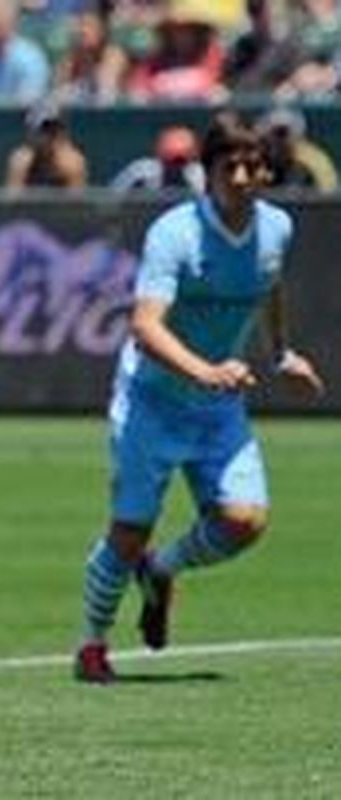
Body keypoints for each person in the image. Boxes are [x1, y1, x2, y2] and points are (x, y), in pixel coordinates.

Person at [74, 111, 326, 684]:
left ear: (266, 171)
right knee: (129, 528)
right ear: (208, 172)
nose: (240, 177)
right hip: (152, 399)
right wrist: (206, 370)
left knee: (245, 520)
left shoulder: (275, 228)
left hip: (216, 406)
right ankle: (91, 645)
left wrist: (281, 351)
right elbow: (145, 325)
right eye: (228, 165)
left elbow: (269, 285)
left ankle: (160, 570)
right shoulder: (176, 232)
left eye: (252, 165)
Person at [4, 100, 88, 192]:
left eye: (54, 129)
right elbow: (11, 203)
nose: (51, 136)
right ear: (30, 133)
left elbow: (77, 203)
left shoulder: (72, 163)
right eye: (44, 130)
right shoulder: (20, 160)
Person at [109, 125, 206, 193]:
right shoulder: (141, 170)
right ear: (157, 147)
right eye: (170, 140)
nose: (176, 145)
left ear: (195, 150)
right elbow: (109, 202)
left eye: (182, 139)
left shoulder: (202, 173)